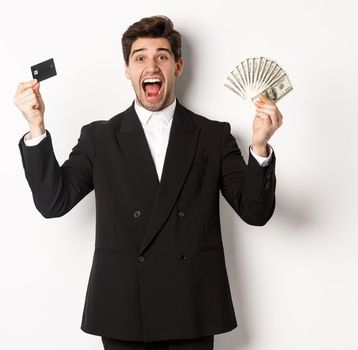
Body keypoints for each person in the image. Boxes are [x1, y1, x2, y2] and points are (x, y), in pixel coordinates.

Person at [13, 15, 283, 349]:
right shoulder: (99, 137)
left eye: (162, 56)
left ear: (178, 66)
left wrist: (259, 147)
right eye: (140, 57)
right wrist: (36, 128)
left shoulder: (213, 136)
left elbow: (255, 212)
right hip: (124, 309)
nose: (151, 65)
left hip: (192, 307)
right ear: (127, 69)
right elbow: (53, 202)